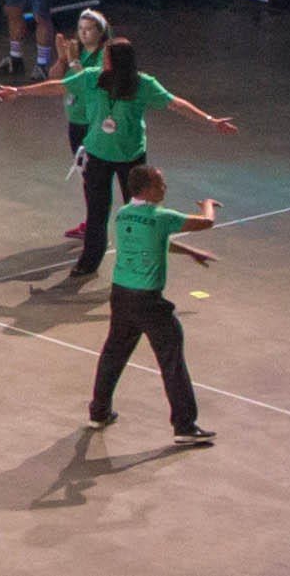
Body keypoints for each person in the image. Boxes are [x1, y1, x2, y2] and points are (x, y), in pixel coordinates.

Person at [3, 35, 229, 284]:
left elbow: (175, 104)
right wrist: (19, 91)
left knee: (141, 211)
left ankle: (145, 255)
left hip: (131, 159)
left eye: (107, 56)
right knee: (97, 211)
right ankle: (88, 262)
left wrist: (210, 120)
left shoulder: (143, 84)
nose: (102, 59)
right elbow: (58, 86)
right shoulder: (91, 77)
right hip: (97, 155)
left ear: (119, 60)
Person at [85, 164, 219, 445]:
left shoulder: (123, 215)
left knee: (114, 352)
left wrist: (190, 252)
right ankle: (184, 424)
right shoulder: (161, 216)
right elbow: (206, 223)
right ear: (146, 189)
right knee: (171, 357)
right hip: (148, 299)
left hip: (121, 294)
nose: (164, 188)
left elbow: (155, 240)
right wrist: (208, 205)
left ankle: (98, 412)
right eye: (160, 184)